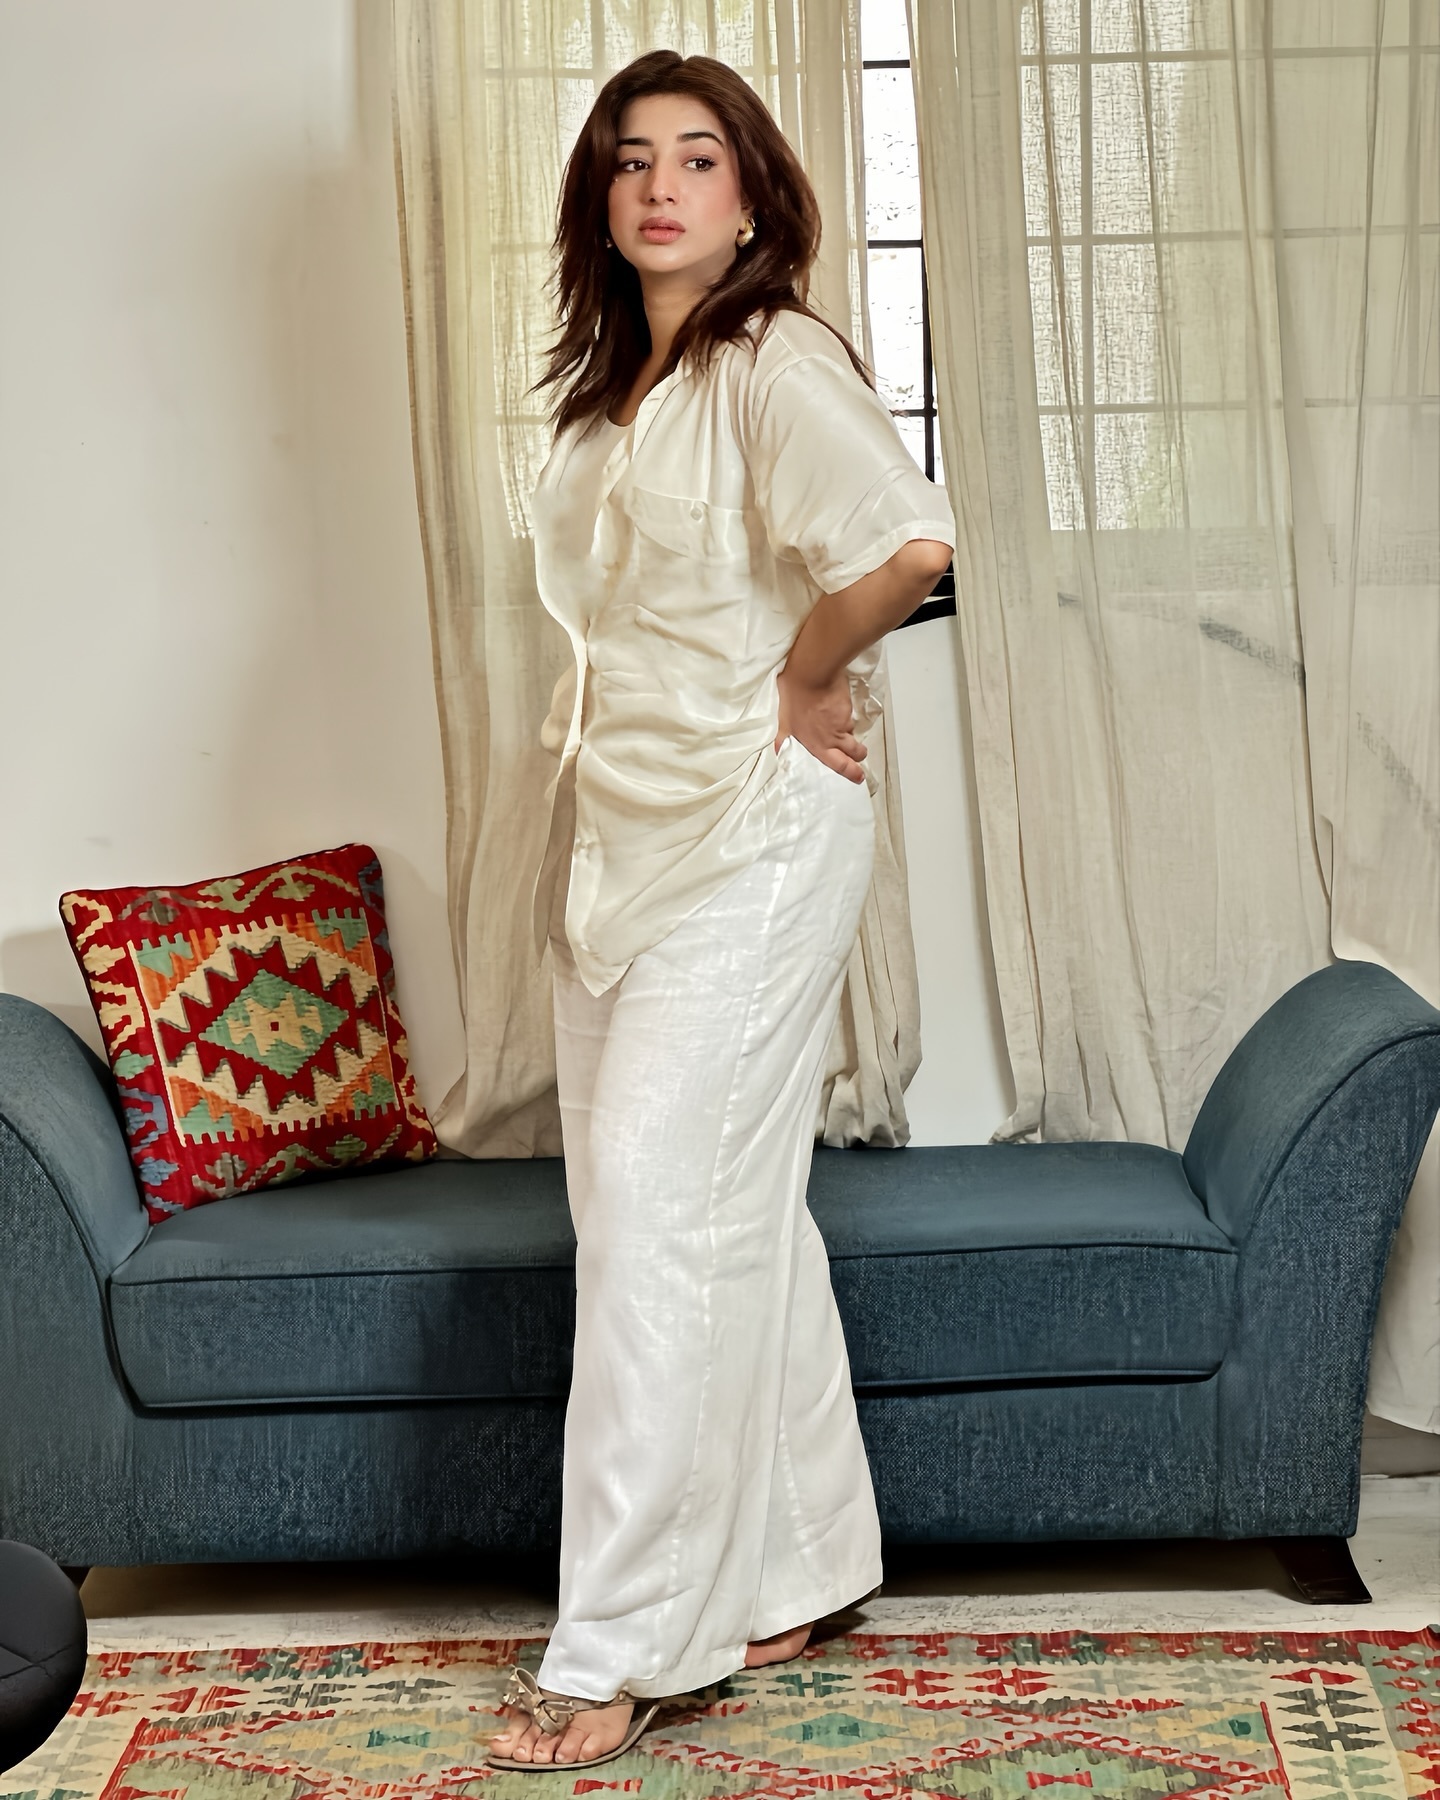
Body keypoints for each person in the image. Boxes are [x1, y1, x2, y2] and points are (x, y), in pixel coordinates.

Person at [486, 47, 957, 1775]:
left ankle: (623, 1645)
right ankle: (808, 1558)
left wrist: (807, 677)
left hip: (754, 837)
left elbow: (906, 546)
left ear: (752, 195)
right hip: (619, 839)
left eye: (697, 157)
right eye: (631, 160)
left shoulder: (774, 361)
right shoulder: (614, 391)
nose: (660, 186)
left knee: (654, 1220)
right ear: (600, 200)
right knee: (699, 1206)